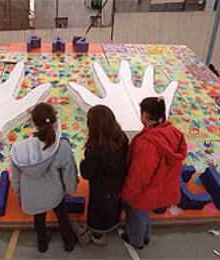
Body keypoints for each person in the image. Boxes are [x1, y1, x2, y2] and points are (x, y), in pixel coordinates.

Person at [120, 97, 187, 249]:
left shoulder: (146, 144)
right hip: (162, 185)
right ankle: (146, 236)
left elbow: (139, 175)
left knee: (136, 214)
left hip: (145, 190)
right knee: (144, 214)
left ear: (145, 114)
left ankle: (136, 241)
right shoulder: (173, 132)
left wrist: (128, 193)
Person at [11, 102, 78, 253]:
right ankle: (68, 242)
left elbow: (15, 175)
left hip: (32, 194)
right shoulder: (62, 146)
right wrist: (69, 189)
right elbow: (69, 172)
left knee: (39, 218)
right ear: (54, 121)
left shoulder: (19, 149)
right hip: (55, 193)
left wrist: (19, 191)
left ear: (33, 123)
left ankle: (42, 244)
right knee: (62, 215)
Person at [79, 105, 129, 246]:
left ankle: (98, 235)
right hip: (117, 184)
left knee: (99, 213)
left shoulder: (95, 149)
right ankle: (112, 224)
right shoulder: (122, 138)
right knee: (113, 206)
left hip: (101, 189)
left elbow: (87, 173)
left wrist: (83, 163)